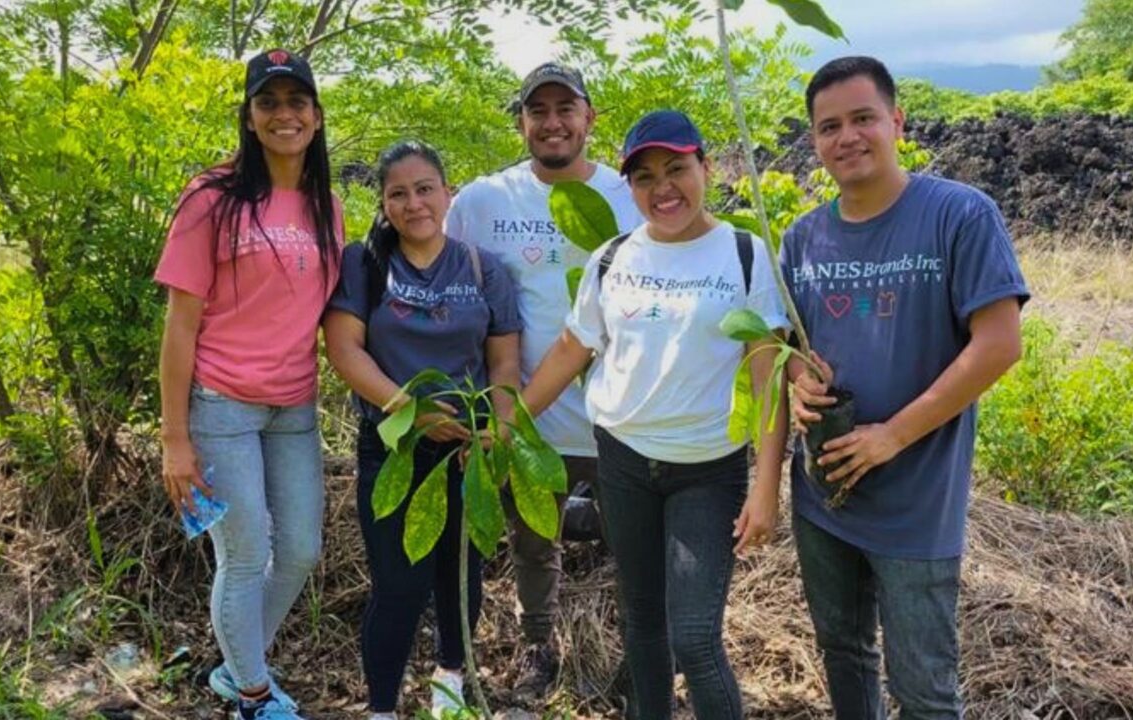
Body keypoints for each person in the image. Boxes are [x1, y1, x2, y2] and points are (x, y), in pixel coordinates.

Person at [521, 109, 790, 720]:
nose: (662, 188)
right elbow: (572, 348)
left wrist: (767, 484)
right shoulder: (613, 258)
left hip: (707, 468)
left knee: (694, 636)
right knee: (641, 622)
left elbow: (766, 375)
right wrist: (509, 423)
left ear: (707, 167)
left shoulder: (745, 256)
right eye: (644, 177)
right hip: (623, 460)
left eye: (677, 169)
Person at [782, 56, 1029, 719]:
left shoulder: (958, 214)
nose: (847, 137)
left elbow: (1000, 343)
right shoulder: (801, 239)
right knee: (844, 653)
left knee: (923, 688)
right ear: (814, 141)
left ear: (897, 121)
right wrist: (798, 382)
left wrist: (892, 435)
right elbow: (786, 351)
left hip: (918, 500)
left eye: (863, 118)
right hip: (823, 495)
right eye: (829, 126)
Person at [444, 61, 644, 702]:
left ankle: (636, 658)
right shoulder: (481, 201)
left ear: (590, 118)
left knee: (634, 544)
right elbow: (441, 276)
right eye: (539, 111)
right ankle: (540, 651)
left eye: (566, 109)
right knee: (534, 544)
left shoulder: (626, 196)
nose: (553, 122)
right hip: (524, 418)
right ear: (522, 121)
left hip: (621, 414)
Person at [155, 49, 342, 720]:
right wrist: (175, 438)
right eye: (269, 102)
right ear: (250, 117)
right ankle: (254, 697)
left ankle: (238, 666)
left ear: (317, 118)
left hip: (294, 405)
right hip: (221, 406)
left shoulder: (329, 206)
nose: (284, 113)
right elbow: (180, 327)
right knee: (245, 556)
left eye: (297, 102)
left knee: (299, 551)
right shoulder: (213, 197)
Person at [322, 141, 522, 720]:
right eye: (398, 194)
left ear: (447, 192)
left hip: (468, 450)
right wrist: (409, 411)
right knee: (398, 584)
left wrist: (501, 429)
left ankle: (450, 683)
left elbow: (505, 364)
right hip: (393, 448)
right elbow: (344, 350)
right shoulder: (364, 263)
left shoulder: (484, 267)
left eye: (425, 189)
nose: (414, 204)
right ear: (384, 204)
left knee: (461, 575)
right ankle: (382, 706)